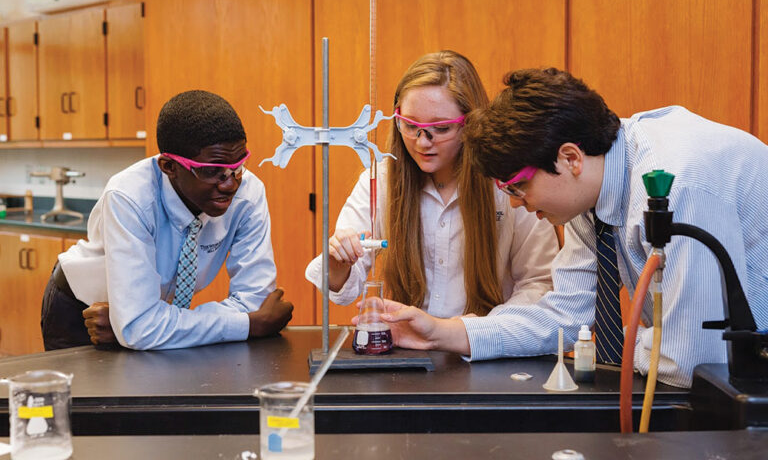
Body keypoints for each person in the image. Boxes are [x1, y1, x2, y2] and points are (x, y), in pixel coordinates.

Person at [375, 67, 768, 388]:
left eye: (519, 185)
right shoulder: (591, 193)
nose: (516, 202)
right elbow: (565, 315)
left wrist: (640, 342)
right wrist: (443, 333)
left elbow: (691, 359)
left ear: (569, 158)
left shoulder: (677, 183)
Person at [305, 51, 558, 320]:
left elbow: (539, 284)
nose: (422, 142)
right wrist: (338, 260)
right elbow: (342, 287)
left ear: (471, 122)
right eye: (411, 125)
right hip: (410, 349)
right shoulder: (381, 180)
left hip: (485, 352)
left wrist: (475, 333)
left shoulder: (506, 182)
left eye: (441, 129)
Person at [41, 90, 293, 350]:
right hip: (86, 314)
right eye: (211, 171)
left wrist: (144, 324)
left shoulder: (249, 195)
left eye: (238, 166)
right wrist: (250, 325)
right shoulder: (129, 197)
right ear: (169, 167)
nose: (230, 184)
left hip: (139, 321)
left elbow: (254, 302)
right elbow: (140, 328)